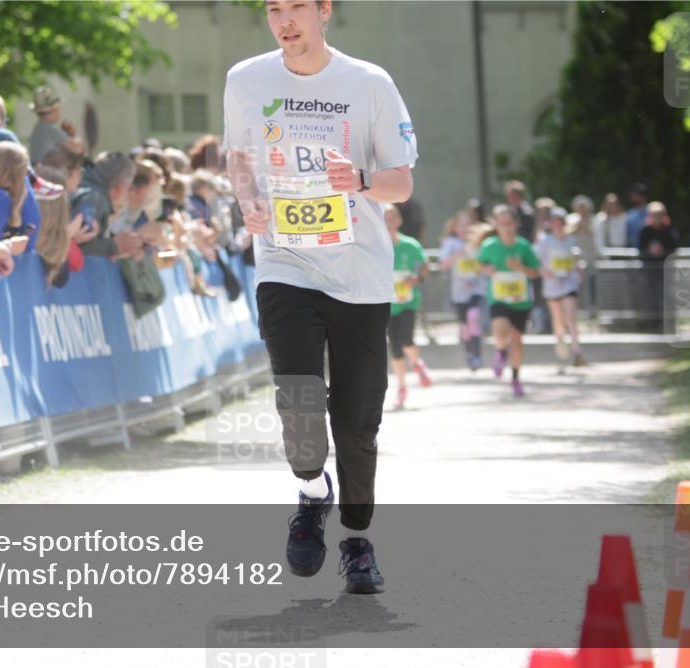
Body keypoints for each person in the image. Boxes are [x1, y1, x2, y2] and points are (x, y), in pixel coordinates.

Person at [224, 0, 418, 593]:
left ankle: (358, 542)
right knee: (298, 398)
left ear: (324, 10)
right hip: (285, 264)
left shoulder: (369, 83)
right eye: (273, 8)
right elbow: (239, 158)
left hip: (360, 273)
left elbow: (401, 182)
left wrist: (358, 180)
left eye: (297, 7)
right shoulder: (246, 79)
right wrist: (248, 201)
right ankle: (312, 492)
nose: (285, 20)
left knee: (357, 422)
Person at [478, 205, 541, 397]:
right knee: (499, 330)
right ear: (496, 225)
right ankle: (501, 352)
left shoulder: (523, 246)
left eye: (509, 223)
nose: (506, 228)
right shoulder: (489, 246)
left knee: (517, 341)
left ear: (516, 224)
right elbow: (480, 265)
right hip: (498, 298)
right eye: (502, 224)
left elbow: (535, 272)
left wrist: (521, 267)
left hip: (520, 301)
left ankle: (515, 378)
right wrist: (486, 270)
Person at [385, 204, 431, 409]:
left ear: (399, 221)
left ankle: (417, 363)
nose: (388, 223)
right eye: (384, 218)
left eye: (391, 218)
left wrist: (417, 279)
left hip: (408, 302)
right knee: (395, 347)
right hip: (387, 305)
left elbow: (424, 266)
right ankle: (402, 387)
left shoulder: (410, 246)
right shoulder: (375, 247)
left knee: (406, 338)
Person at [535, 207, 585, 369]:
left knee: (570, 316)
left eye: (560, 222)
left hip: (569, 283)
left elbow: (576, 260)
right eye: (554, 222)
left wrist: (579, 271)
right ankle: (561, 341)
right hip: (552, 286)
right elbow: (536, 261)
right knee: (558, 318)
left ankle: (576, 350)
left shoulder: (571, 241)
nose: (557, 225)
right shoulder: (545, 242)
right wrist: (544, 272)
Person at [438, 209, 487, 370]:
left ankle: (477, 353)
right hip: (459, 292)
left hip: (476, 288)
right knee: (465, 324)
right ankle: (469, 352)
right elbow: (443, 266)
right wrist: (457, 255)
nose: (465, 229)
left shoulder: (480, 243)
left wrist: (479, 270)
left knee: (474, 316)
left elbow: (485, 263)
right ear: (455, 227)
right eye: (461, 225)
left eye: (468, 225)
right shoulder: (450, 244)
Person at [637, 201, 678, 331]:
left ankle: (667, 322)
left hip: (666, 270)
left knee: (666, 296)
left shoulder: (669, 231)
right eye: (654, 215)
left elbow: (674, 250)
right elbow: (640, 250)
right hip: (650, 270)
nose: (657, 217)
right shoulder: (645, 231)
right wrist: (650, 251)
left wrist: (662, 252)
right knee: (650, 296)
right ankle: (652, 323)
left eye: (660, 215)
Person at [28, 85, 83, 164]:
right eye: (58, 109)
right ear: (52, 110)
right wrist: (74, 133)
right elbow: (77, 148)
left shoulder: (40, 128)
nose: (60, 112)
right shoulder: (48, 128)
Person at [625, 182, 649, 248]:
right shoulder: (630, 213)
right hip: (633, 250)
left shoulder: (652, 212)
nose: (631, 196)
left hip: (647, 251)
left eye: (634, 194)